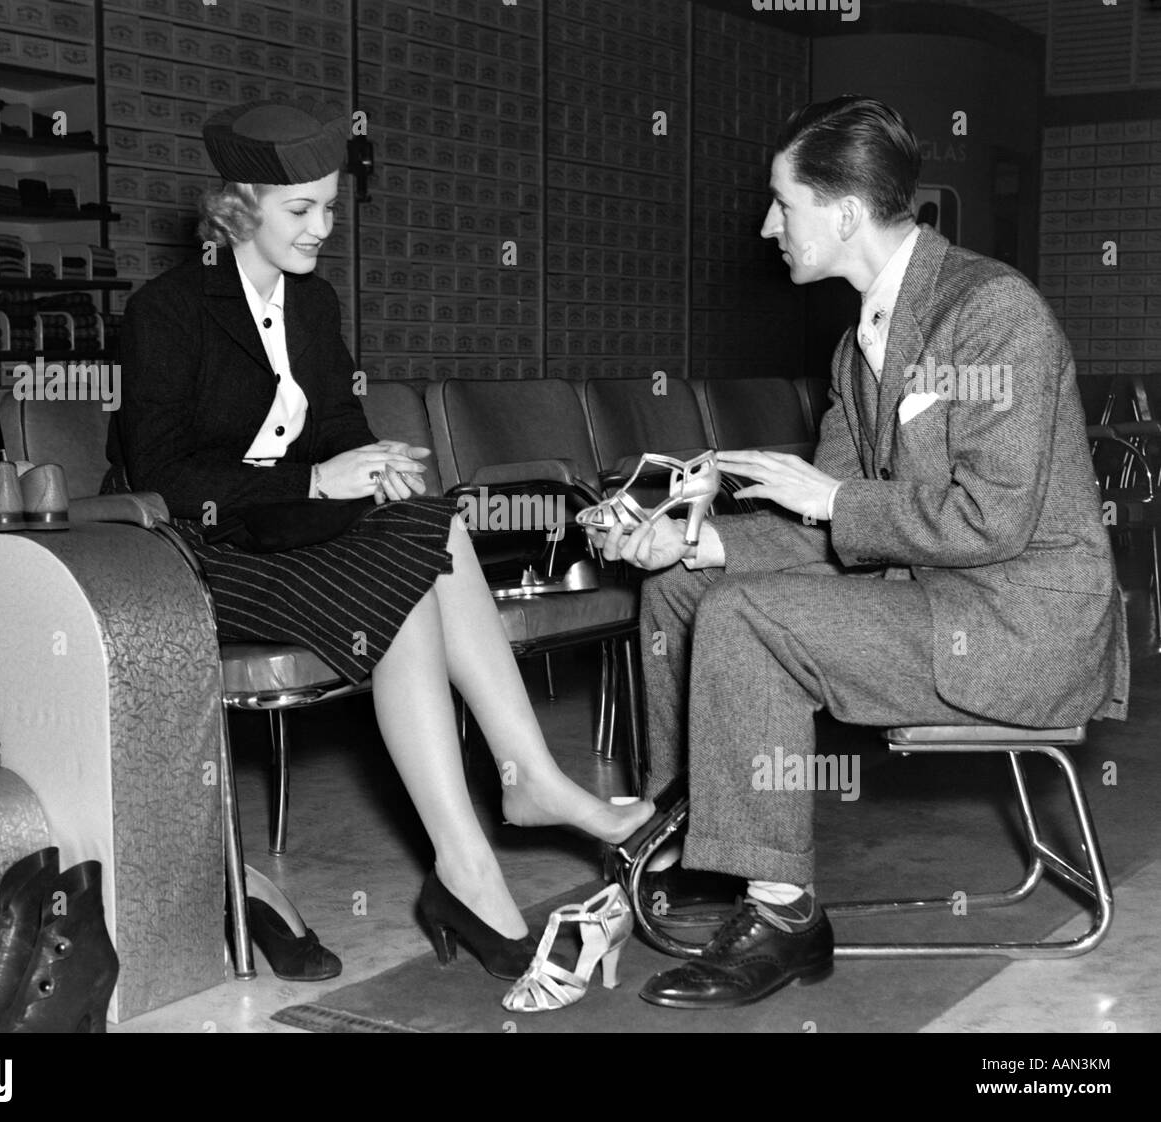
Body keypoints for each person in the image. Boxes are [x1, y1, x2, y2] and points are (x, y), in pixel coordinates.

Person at [590, 95, 1128, 1009]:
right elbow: (831, 538)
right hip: (929, 595)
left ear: (842, 214)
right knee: (687, 586)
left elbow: (987, 522)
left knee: (747, 617)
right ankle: (702, 830)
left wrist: (831, 496)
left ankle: (785, 912)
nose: (768, 226)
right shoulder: (858, 347)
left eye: (782, 204)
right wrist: (693, 538)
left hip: (1015, 624)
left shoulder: (994, 315)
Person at [109, 97, 653, 980]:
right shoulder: (166, 311)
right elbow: (160, 477)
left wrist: (374, 463)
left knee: (420, 525)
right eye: (301, 210)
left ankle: (488, 839)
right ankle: (511, 810)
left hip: (286, 531)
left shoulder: (312, 305)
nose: (323, 227)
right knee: (415, 553)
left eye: (329, 206)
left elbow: (336, 430)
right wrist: (321, 479)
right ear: (240, 207)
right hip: (188, 554)